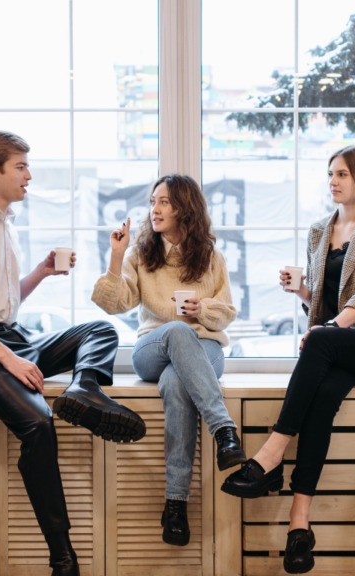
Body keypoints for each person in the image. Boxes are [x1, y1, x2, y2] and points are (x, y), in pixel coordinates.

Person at [0, 130, 146, 576]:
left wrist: (41, 273)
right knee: (38, 422)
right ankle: (61, 555)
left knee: (99, 330)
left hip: (8, 337)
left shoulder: (5, 227)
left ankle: (85, 389)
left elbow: (0, 303)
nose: (29, 176)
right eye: (21, 167)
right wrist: (11, 361)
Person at [221, 145, 355, 574]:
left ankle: (272, 454)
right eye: (331, 173)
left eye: (342, 173)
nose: (333, 180)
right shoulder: (318, 230)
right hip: (344, 344)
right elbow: (327, 305)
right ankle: (299, 526)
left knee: (320, 344)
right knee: (324, 394)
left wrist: (327, 332)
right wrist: (305, 295)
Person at [92, 174, 246, 547]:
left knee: (178, 383)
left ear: (184, 208)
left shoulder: (211, 256)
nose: (154, 209)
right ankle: (224, 429)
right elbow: (115, 303)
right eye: (153, 202)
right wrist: (116, 255)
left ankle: (175, 505)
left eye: (164, 202)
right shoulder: (141, 254)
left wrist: (203, 307)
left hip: (204, 348)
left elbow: (226, 313)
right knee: (178, 331)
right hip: (153, 349)